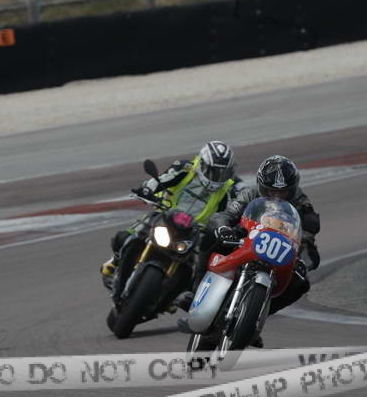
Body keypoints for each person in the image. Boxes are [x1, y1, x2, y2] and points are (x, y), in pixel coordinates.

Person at [193, 155, 320, 334]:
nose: (276, 196)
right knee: (211, 235)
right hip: (244, 240)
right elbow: (227, 214)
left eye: (283, 192)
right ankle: (197, 286)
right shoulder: (249, 193)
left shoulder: (302, 205)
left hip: (277, 252)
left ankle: (255, 316)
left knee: (301, 283)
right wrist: (224, 228)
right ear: (261, 186)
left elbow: (307, 241)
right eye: (271, 191)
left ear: (292, 189)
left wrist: (303, 263)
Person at [100, 141, 240, 290]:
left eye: (223, 173)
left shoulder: (228, 190)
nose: (217, 177)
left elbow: (227, 214)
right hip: (165, 215)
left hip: (195, 232)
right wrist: (147, 190)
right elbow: (162, 179)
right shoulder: (185, 168)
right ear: (203, 164)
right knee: (125, 236)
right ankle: (115, 262)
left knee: (200, 266)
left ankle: (188, 293)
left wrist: (227, 229)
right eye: (213, 172)